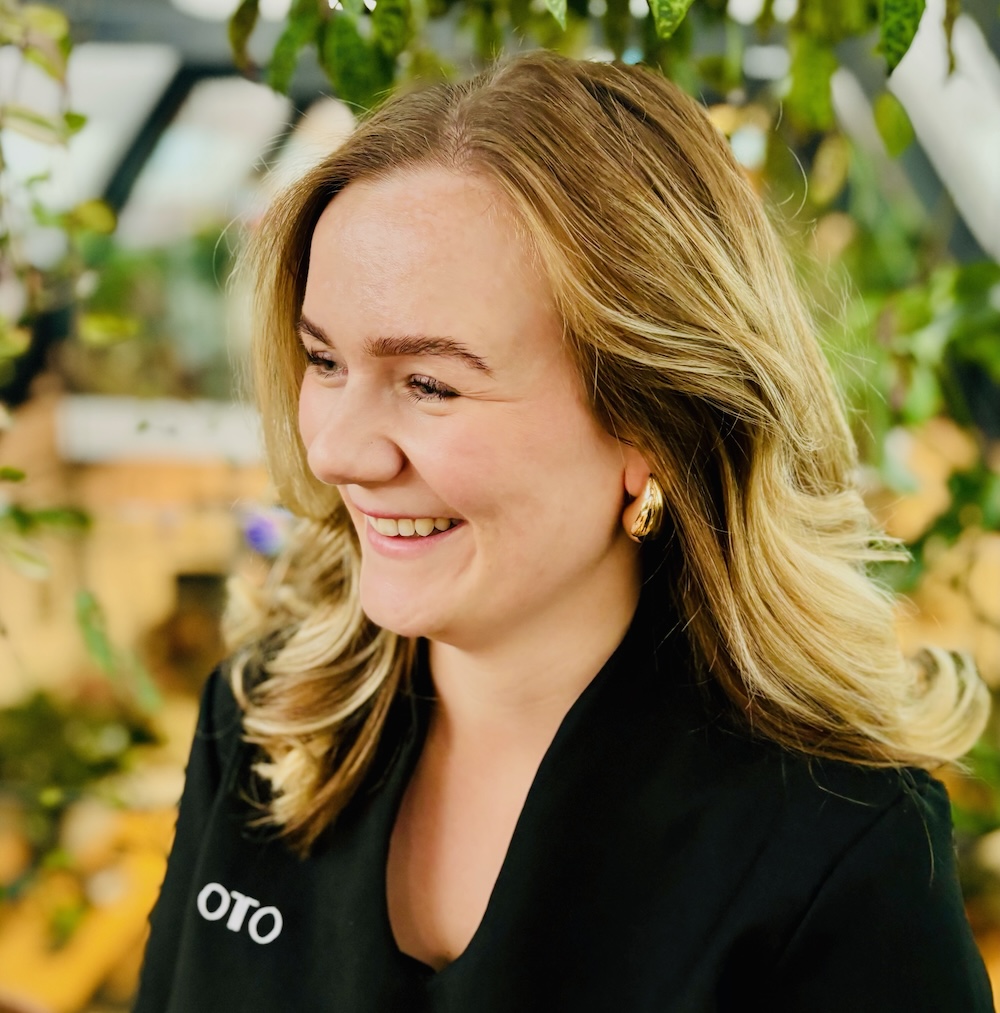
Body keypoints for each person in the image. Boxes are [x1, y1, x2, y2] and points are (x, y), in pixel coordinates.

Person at [134, 51, 993, 1011]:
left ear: (650, 423)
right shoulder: (261, 718)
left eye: (430, 383)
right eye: (322, 359)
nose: (337, 449)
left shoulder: (835, 848)